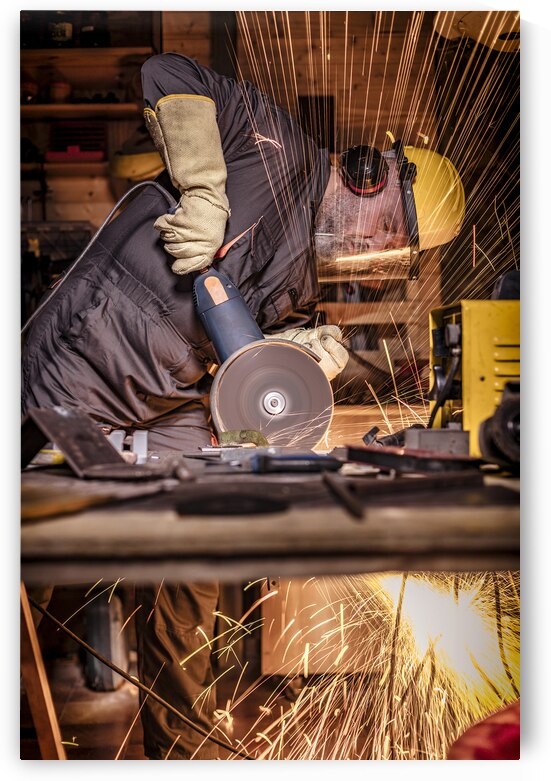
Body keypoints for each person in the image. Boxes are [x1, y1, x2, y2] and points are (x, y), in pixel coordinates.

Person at [21, 53, 465, 759]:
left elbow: (234, 341)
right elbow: (168, 73)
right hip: (81, 365)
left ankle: (182, 748)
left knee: (194, 551)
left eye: (393, 246)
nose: (375, 247)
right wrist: (201, 191)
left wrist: (294, 347)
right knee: (31, 547)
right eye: (388, 228)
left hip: (170, 402)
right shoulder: (271, 138)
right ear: (371, 173)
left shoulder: (303, 265)